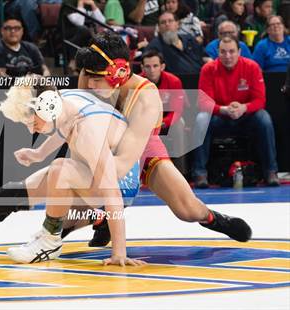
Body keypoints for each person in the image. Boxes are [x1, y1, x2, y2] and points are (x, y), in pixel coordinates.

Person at [22, 31, 253, 251]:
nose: (89, 84)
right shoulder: (89, 73)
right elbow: (73, 125)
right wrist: (45, 158)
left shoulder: (144, 96)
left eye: (95, 79)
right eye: (86, 75)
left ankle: (212, 218)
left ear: (119, 73)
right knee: (70, 210)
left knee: (188, 210)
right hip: (103, 144)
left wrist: (103, 201)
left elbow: (123, 166)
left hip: (143, 149)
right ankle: (86, 223)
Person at [0, 77, 146, 266]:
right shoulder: (65, 102)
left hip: (121, 184)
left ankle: (51, 240)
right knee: (12, 193)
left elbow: (112, 190)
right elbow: (64, 127)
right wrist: (39, 154)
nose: (31, 127)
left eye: (32, 120)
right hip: (93, 170)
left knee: (60, 169)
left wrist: (119, 253)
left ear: (47, 106)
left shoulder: (88, 131)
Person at [193, 36, 280, 187]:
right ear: (217, 53)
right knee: (201, 118)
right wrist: (224, 110)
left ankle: (271, 171)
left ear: (239, 52)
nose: (228, 56)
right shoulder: (208, 69)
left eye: (232, 51)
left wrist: (243, 108)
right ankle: (200, 173)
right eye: (223, 52)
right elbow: (204, 102)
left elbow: (260, 100)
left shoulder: (252, 67)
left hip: (246, 117)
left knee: (264, 118)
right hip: (220, 118)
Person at [140, 49, 187, 174]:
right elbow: (135, 110)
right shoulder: (137, 83)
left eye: (155, 66)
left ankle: (180, 172)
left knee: (179, 124)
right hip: (145, 121)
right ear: (142, 67)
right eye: (148, 66)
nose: (152, 70)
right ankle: (138, 173)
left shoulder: (174, 81)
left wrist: (163, 123)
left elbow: (177, 111)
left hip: (167, 121)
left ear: (162, 66)